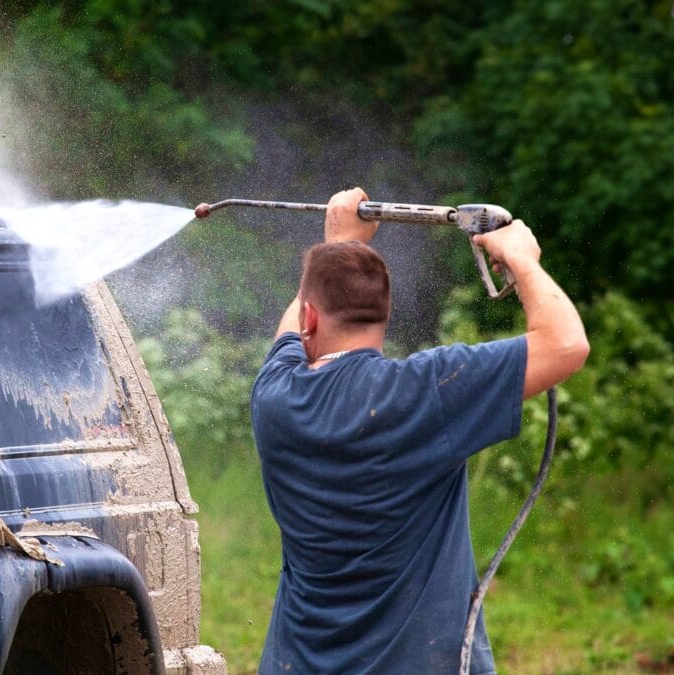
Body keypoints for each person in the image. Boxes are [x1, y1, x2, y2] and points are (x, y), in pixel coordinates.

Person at [250, 187, 589, 673]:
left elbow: (293, 331)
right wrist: (522, 260)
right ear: (384, 315)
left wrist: (339, 244)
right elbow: (566, 345)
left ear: (310, 316)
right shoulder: (425, 392)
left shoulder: (274, 397)